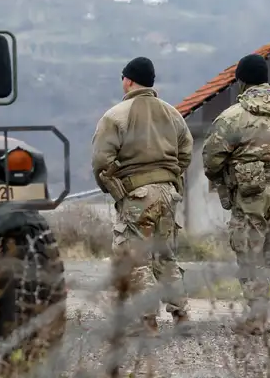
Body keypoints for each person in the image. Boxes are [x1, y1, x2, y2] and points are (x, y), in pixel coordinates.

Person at [202, 54, 270, 335]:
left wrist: (226, 179)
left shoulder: (232, 117)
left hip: (249, 195)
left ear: (241, 82)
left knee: (250, 255)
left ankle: (258, 319)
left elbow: (211, 160)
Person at [91, 56, 193, 336]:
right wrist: (170, 178)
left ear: (128, 80)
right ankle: (181, 315)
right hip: (168, 193)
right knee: (165, 255)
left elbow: (101, 161)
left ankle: (147, 321)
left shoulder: (115, 116)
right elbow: (185, 152)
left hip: (137, 195)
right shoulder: (173, 114)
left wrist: (116, 190)